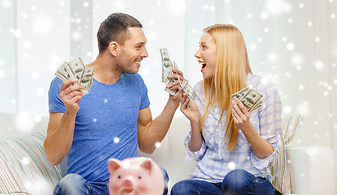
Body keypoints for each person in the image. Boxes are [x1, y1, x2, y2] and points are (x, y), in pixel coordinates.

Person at [44, 13, 183, 195]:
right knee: (70, 184)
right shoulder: (66, 86)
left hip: (125, 187)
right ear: (114, 48)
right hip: (87, 188)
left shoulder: (136, 82)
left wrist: (173, 103)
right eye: (138, 46)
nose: (145, 53)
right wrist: (70, 111)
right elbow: (53, 156)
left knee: (159, 175)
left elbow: (147, 144)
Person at [171, 24, 282, 195]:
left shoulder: (263, 89)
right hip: (210, 181)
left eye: (204, 47)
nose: (197, 54)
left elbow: (268, 156)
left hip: (251, 181)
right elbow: (197, 152)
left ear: (225, 53)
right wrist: (194, 122)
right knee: (181, 189)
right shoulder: (200, 90)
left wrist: (246, 127)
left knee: (236, 180)